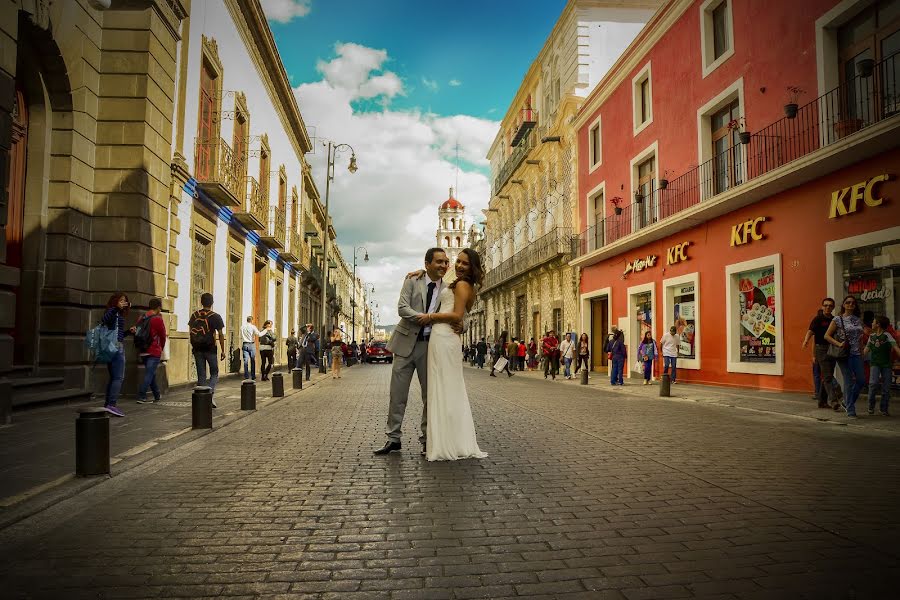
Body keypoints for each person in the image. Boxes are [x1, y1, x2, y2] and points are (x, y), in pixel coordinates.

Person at [375, 248, 459, 456]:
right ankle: (393, 439)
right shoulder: (412, 281)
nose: (443, 265)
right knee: (397, 394)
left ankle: (426, 440)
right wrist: (422, 317)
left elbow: (455, 314)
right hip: (404, 344)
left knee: (429, 396)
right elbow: (402, 308)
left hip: (430, 347)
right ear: (427, 264)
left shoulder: (449, 288)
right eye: (438, 261)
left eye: (446, 262)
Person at [413, 248, 487, 461]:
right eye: (459, 262)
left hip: (445, 338)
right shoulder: (458, 284)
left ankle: (448, 442)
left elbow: (456, 314)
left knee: (445, 388)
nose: (459, 266)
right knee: (443, 388)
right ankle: (445, 439)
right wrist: (420, 271)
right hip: (442, 337)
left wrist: (430, 317)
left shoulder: (463, 285)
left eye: (465, 263)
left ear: (473, 267)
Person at [824, 295, 865, 418]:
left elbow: (860, 338)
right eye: (848, 302)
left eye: (853, 303)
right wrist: (839, 344)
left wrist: (862, 352)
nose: (850, 304)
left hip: (857, 354)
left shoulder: (858, 320)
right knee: (848, 380)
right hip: (844, 354)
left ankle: (847, 401)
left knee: (861, 381)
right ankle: (851, 409)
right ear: (843, 305)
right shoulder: (837, 319)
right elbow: (827, 336)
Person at [189, 293, 225, 407]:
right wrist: (223, 350)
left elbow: (191, 332)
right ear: (212, 302)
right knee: (214, 373)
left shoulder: (194, 315)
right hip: (210, 349)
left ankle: (202, 401)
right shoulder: (215, 316)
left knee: (201, 375)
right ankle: (210, 394)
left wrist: (193, 345)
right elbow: (220, 334)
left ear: (201, 302)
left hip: (197, 349)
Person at [802, 299, 840, 408]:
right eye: (825, 305)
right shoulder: (818, 319)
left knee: (828, 375)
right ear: (822, 307)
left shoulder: (834, 320)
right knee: (827, 375)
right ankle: (833, 401)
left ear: (833, 308)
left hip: (832, 348)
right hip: (821, 349)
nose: (828, 307)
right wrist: (806, 340)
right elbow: (810, 331)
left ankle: (822, 401)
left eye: (830, 306)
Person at [100, 293, 132, 417]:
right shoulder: (112, 312)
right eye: (121, 300)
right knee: (119, 377)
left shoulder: (118, 314)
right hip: (115, 348)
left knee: (114, 377)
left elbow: (118, 334)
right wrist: (116, 308)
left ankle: (107, 404)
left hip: (112, 346)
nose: (123, 303)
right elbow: (105, 319)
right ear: (115, 302)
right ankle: (111, 405)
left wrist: (129, 332)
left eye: (125, 301)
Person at [135, 297, 167, 405]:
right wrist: (161, 348)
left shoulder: (141, 317)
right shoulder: (157, 319)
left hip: (143, 350)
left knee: (151, 373)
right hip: (154, 350)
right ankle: (141, 395)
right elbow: (163, 335)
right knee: (149, 373)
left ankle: (157, 394)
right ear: (158, 307)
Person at [864, 316, 898, 416]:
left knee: (886, 388)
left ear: (878, 324)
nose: (872, 324)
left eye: (873, 322)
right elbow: (866, 350)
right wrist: (858, 358)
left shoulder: (887, 335)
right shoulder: (871, 336)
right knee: (873, 384)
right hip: (874, 364)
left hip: (886, 365)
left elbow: (895, 347)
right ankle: (871, 406)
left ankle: (884, 408)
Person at [240, 316, 260, 380]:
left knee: (245, 361)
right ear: (252, 320)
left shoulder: (242, 327)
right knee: (252, 360)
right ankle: (253, 375)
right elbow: (258, 334)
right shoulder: (253, 327)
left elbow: (241, 335)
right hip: (251, 344)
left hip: (245, 344)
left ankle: (246, 376)